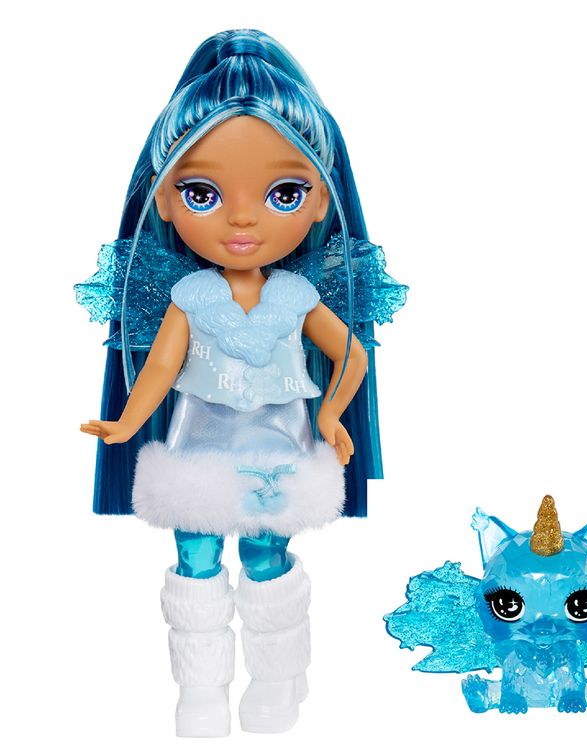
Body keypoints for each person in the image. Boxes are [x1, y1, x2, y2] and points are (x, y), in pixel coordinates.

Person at [76, 29, 406, 737]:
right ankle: (199, 689)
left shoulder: (297, 296)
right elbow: (160, 368)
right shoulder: (190, 296)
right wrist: (128, 422)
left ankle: (278, 679)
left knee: (265, 554)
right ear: (164, 202)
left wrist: (332, 417)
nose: (243, 217)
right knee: (193, 556)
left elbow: (352, 355)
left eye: (285, 192)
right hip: (196, 443)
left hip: (277, 445)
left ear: (321, 203)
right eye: (202, 192)